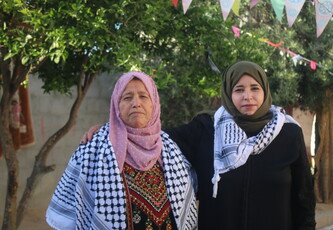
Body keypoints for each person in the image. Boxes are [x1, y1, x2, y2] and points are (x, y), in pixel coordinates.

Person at [83, 61, 316, 230]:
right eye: (239, 90)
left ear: (265, 91)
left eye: (255, 88)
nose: (248, 96)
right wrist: (112, 129)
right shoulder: (206, 129)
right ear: (227, 93)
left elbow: (303, 198)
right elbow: (150, 135)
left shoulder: (288, 133)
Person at [46, 71, 198, 230]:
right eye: (127, 97)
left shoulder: (169, 147)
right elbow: (68, 212)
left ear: (154, 103)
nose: (136, 103)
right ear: (116, 106)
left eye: (143, 96)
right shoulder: (93, 149)